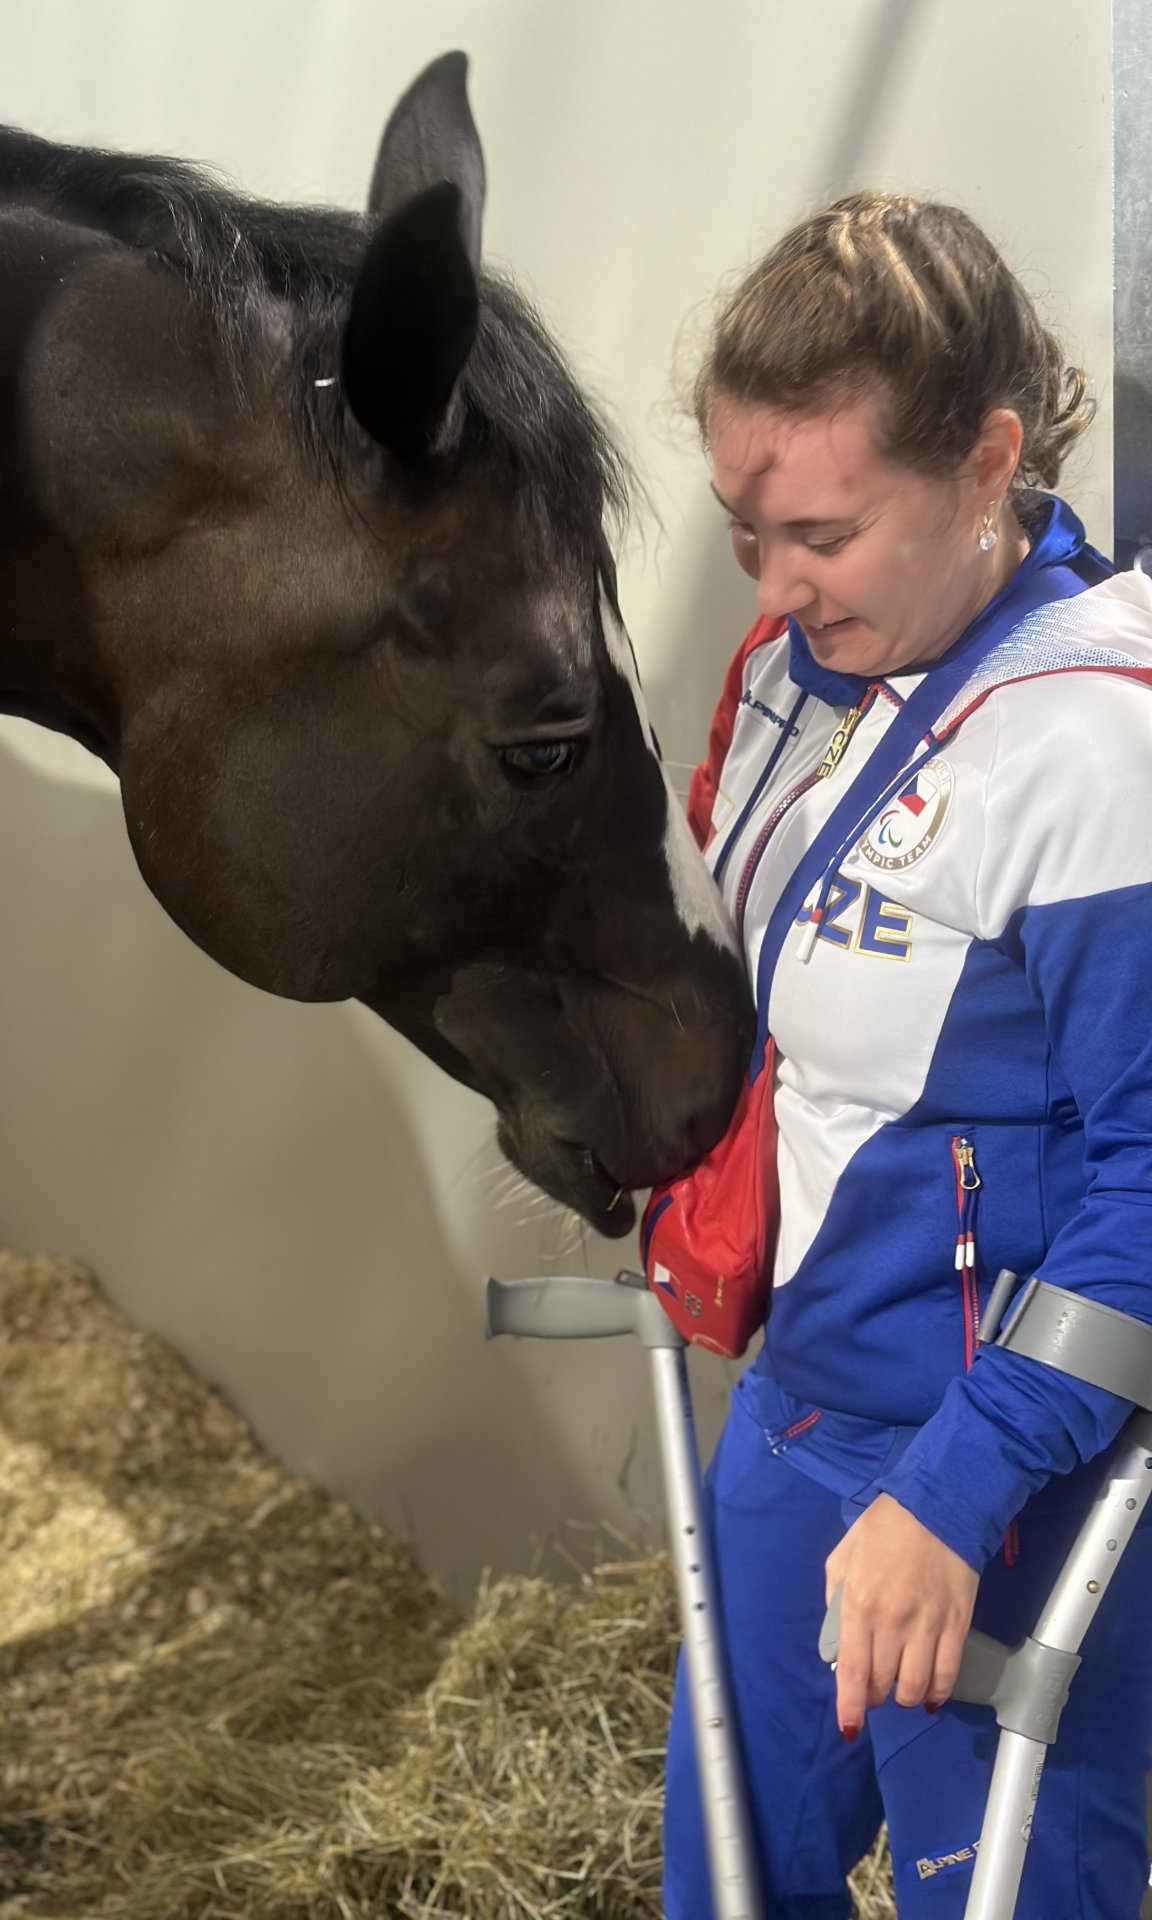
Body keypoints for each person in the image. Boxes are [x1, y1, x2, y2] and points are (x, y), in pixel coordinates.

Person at [662, 190, 1152, 1918]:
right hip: (793, 1429)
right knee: (725, 1884)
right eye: (744, 527)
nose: (779, 586)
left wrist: (953, 1496)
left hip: (1004, 1483)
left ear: (988, 461)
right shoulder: (803, 673)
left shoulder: (1096, 744)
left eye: (825, 531)